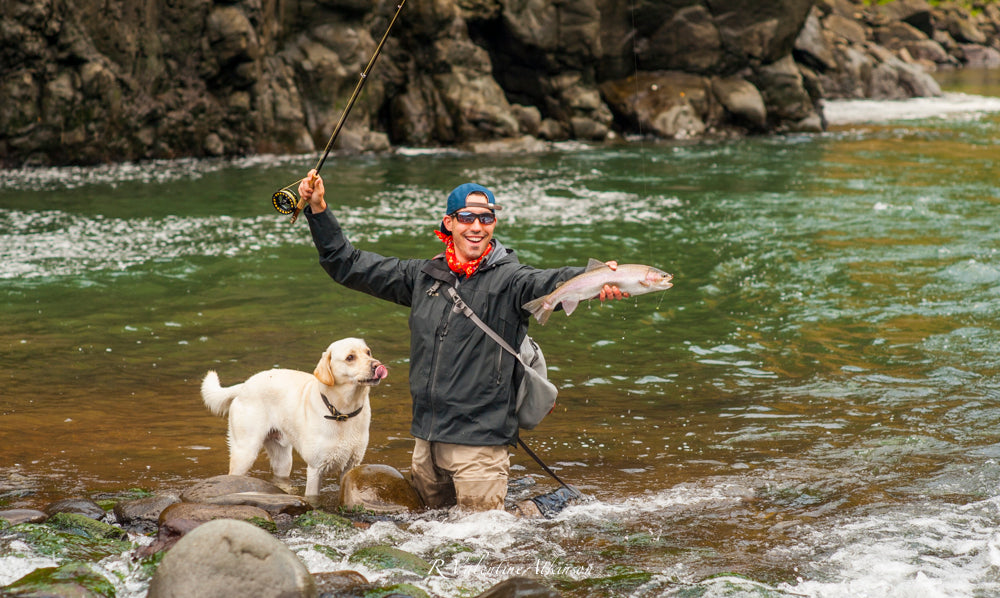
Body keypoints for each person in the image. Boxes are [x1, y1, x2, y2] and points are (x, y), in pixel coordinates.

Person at [298, 170, 626, 511]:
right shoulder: (423, 277)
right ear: (449, 223)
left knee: (483, 543)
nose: (477, 226)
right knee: (430, 539)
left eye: (487, 218)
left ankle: (544, 508)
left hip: (479, 446)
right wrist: (319, 210)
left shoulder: (511, 280)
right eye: (467, 217)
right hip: (427, 440)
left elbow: (549, 281)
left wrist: (593, 279)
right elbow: (347, 264)